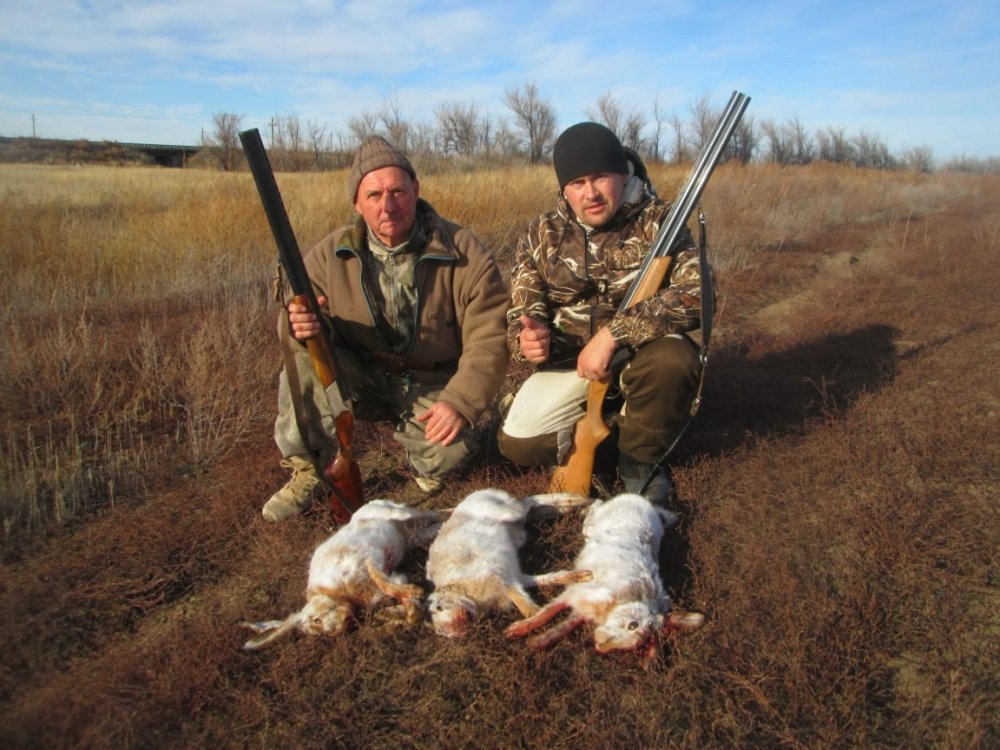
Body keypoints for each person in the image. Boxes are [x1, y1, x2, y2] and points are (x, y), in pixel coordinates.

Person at [263, 135, 509, 522]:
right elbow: (295, 318)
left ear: (416, 190)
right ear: (357, 203)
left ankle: (423, 456)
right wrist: (301, 325)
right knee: (304, 355)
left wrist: (460, 401)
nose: (387, 205)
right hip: (360, 376)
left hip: (432, 381)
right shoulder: (329, 255)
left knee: (449, 455)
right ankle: (311, 468)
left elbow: (490, 336)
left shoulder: (464, 249)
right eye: (374, 195)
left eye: (397, 191)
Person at [497, 122, 707, 508]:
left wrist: (613, 335)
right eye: (577, 182)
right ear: (564, 188)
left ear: (622, 174)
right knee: (517, 444)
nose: (590, 193)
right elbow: (522, 309)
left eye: (600, 178)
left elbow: (698, 294)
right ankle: (629, 425)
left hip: (640, 356)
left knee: (674, 360)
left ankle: (639, 459)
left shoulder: (661, 221)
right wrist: (525, 340)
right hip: (570, 367)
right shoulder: (541, 232)